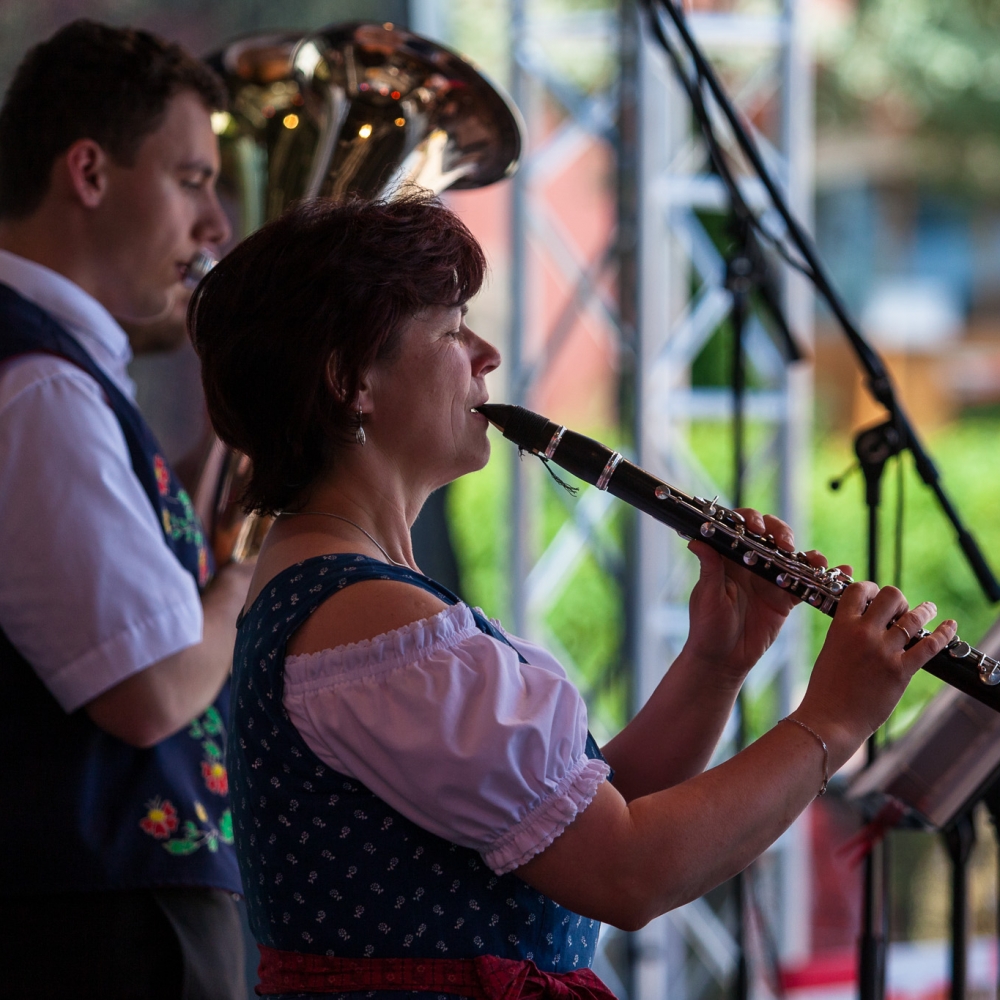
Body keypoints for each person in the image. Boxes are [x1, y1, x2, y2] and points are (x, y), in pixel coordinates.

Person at [189, 196, 956, 999]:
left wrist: (716, 662)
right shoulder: (368, 619)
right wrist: (833, 721)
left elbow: (584, 811)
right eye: (451, 331)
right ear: (351, 380)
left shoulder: (349, 592)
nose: (487, 354)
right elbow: (627, 872)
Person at [0, 21, 254, 1000]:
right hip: (103, 926)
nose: (215, 224)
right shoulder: (40, 387)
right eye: (192, 180)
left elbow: (146, 578)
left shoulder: (57, 373)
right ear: (90, 172)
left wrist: (244, 417)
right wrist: (241, 580)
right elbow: (149, 687)